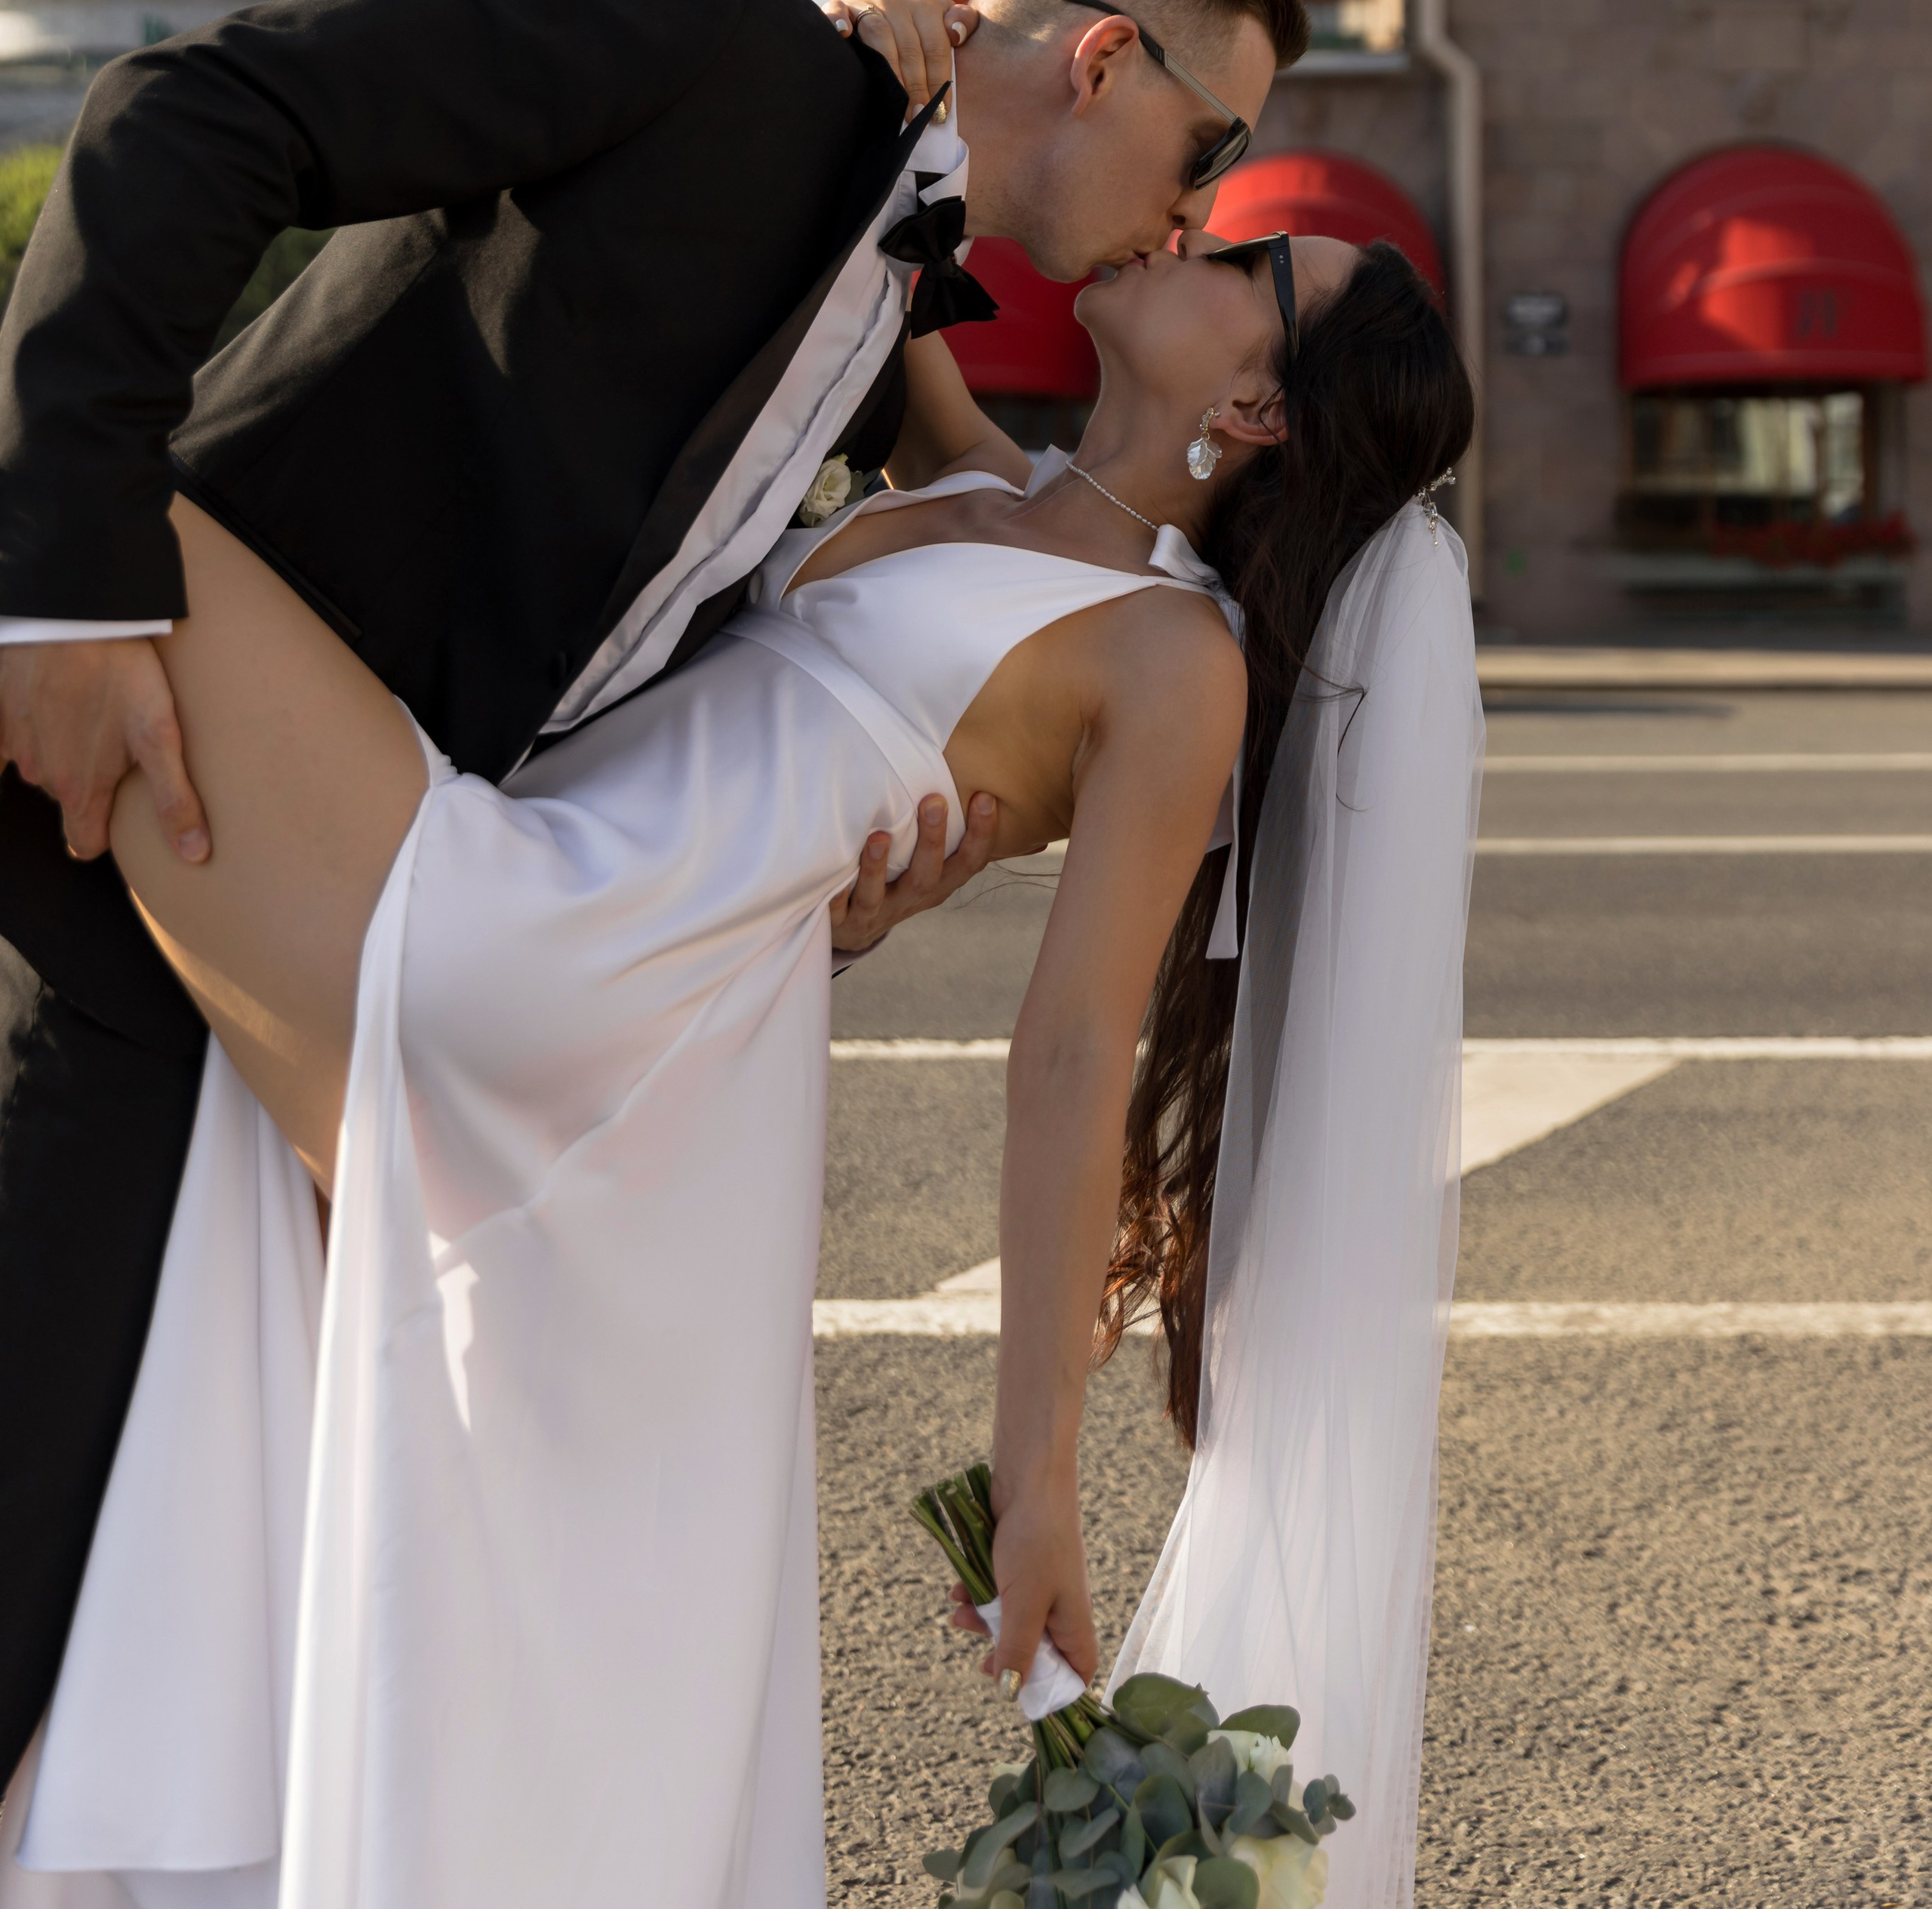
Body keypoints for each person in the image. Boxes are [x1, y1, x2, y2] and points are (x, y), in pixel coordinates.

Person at [0, 0, 1303, 1782]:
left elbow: (954, 573)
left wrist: (862, 856)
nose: (1195, 217)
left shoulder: (886, 329)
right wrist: (64, 588)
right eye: (1210, 154)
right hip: (165, 781)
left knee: (187, 1584)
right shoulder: (700, 16)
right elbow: (189, 110)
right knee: (52, 1492)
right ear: (1106, 59)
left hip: (400, 904)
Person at [0, 222, 1475, 1908]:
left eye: (1253, 259)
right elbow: (877, 218)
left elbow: (1071, 1055)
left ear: (1261, 409)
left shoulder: (1173, 659)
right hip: (565, 915)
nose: (1192, 230)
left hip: (546, 965)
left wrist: (1036, 1486)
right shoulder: (988, 483)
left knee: (81, 484)